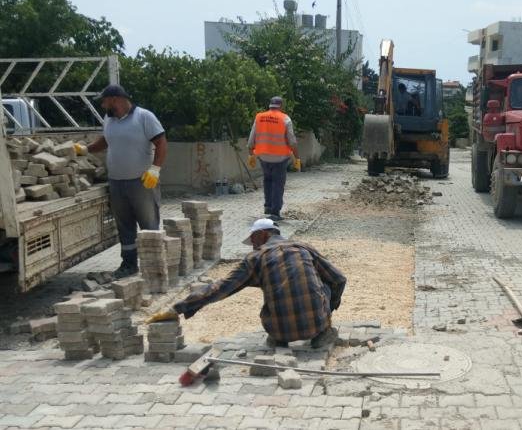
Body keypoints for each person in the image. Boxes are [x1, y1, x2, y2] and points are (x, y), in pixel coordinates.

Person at [147, 218, 346, 348]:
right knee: (326, 284)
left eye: (253, 240)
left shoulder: (255, 260)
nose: (252, 245)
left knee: (280, 288)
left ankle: (280, 338)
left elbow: (220, 288)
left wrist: (177, 308)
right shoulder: (303, 248)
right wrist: (329, 308)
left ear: (264, 234)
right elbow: (339, 279)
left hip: (279, 330)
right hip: (316, 323)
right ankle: (323, 331)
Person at [75, 84, 167, 279]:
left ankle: (154, 266)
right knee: (124, 227)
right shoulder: (109, 119)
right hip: (116, 182)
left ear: (115, 99)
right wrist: (85, 150)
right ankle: (129, 264)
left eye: (104, 100)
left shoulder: (144, 117)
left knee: (148, 224)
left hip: (142, 182)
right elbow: (106, 140)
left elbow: (161, 142)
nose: (102, 104)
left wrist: (155, 169)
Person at [247, 96, 299, 222]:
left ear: (270, 105)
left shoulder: (259, 117)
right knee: (278, 184)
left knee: (267, 180)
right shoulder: (285, 119)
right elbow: (292, 142)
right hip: (280, 158)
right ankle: (275, 213)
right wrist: (297, 158)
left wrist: (250, 154)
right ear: (281, 105)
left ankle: (268, 206)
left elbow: (251, 139)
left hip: (263, 157)